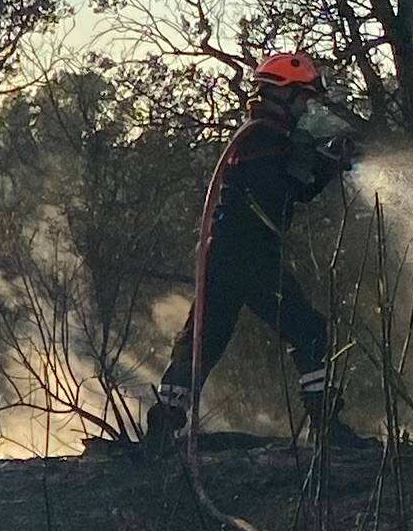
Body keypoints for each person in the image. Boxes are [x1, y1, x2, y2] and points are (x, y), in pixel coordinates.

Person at [145, 49, 366, 449]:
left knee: (201, 344)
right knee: (308, 329)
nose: (307, 107)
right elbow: (277, 189)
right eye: (303, 98)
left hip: (226, 254)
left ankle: (163, 427)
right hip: (248, 253)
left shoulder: (267, 138)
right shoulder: (261, 137)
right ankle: (325, 426)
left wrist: (328, 166)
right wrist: (315, 160)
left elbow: (295, 191)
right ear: (282, 95)